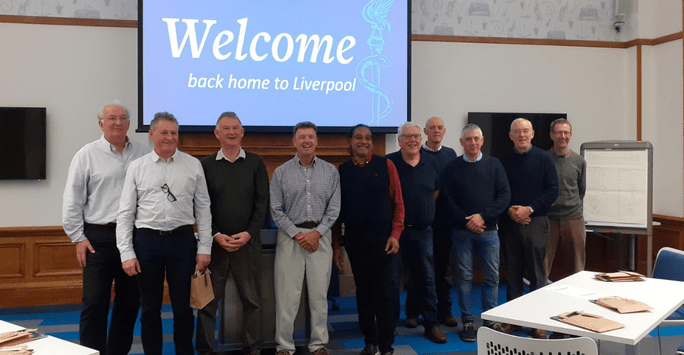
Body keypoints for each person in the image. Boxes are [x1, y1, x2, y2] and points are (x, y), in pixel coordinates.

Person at [116, 112, 212, 355]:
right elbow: (126, 213)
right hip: (147, 242)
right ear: (151, 135)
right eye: (164, 132)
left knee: (183, 308)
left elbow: (203, 209)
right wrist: (126, 252)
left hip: (183, 242)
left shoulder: (193, 165)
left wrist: (205, 248)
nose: (170, 138)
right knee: (149, 308)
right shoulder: (137, 167)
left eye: (174, 133)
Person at [62, 101, 149, 355]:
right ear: (101, 123)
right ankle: (92, 352)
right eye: (111, 118)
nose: (118, 122)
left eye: (123, 118)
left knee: (129, 303)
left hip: (134, 239)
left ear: (129, 123)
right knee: (94, 303)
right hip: (97, 238)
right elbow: (72, 199)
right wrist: (77, 237)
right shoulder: (86, 154)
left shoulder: (144, 153)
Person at [196, 112, 270, 355]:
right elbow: (201, 206)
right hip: (214, 246)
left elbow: (262, 205)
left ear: (242, 132)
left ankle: (253, 348)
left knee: (252, 302)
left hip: (247, 245)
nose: (231, 132)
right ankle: (206, 350)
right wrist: (216, 234)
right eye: (226, 128)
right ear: (217, 133)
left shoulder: (256, 163)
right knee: (207, 303)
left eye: (235, 128)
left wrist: (248, 234)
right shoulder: (205, 165)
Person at [270, 121, 341, 355]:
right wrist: (299, 235)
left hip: (320, 239)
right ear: (294, 142)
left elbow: (334, 209)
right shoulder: (281, 173)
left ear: (317, 141)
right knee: (287, 297)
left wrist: (317, 233)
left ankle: (318, 344)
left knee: (319, 296)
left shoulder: (331, 171)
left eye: (311, 136)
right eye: (302, 137)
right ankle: (284, 346)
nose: (307, 141)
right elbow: (275, 210)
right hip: (291, 239)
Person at [333, 124, 404, 355]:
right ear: (350, 142)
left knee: (384, 293)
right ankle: (370, 342)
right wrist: (336, 247)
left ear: (372, 142)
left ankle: (386, 346)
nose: (363, 141)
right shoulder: (342, 170)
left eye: (368, 138)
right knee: (363, 292)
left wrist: (395, 235)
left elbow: (398, 204)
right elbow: (335, 213)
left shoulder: (386, 165)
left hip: (383, 240)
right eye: (358, 138)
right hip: (354, 240)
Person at [440, 124, 510, 342]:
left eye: (476, 139)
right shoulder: (452, 167)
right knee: (464, 278)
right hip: (462, 233)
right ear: (461, 143)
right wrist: (466, 221)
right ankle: (468, 321)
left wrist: (483, 217)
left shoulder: (494, 165)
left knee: (491, 278)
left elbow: (504, 195)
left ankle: (490, 320)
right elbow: (446, 199)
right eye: (468, 139)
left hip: (489, 231)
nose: (472, 143)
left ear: (482, 141)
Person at [498, 118, 558, 339]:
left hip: (537, 222)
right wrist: (512, 212)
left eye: (525, 131)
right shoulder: (502, 161)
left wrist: (529, 209)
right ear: (510, 136)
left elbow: (552, 191)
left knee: (537, 275)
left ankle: (538, 322)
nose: (521, 135)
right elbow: (499, 191)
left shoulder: (544, 159)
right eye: (517, 132)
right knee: (512, 273)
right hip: (509, 223)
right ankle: (513, 320)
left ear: (532, 134)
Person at [386, 122, 446, 344]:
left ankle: (431, 324)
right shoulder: (389, 162)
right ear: (399, 140)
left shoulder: (432, 162)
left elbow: (436, 190)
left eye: (416, 137)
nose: (413, 140)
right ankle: (388, 326)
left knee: (427, 279)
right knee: (392, 281)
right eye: (407, 136)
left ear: (421, 140)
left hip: (423, 231)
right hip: (396, 233)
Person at [418, 116, 458, 327]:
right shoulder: (418, 153)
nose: (436, 131)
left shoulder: (450, 154)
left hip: (444, 222)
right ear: (425, 131)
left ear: (444, 131)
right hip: (422, 221)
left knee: (443, 270)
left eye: (439, 128)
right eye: (431, 128)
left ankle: (445, 311)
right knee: (420, 270)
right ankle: (415, 313)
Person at [544, 118, 587, 280]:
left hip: (574, 218)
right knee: (543, 264)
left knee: (577, 267)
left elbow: (581, 190)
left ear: (571, 135)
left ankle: (577, 301)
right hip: (548, 219)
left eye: (566, 132)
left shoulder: (579, 161)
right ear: (552, 135)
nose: (563, 136)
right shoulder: (543, 159)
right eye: (559, 132)